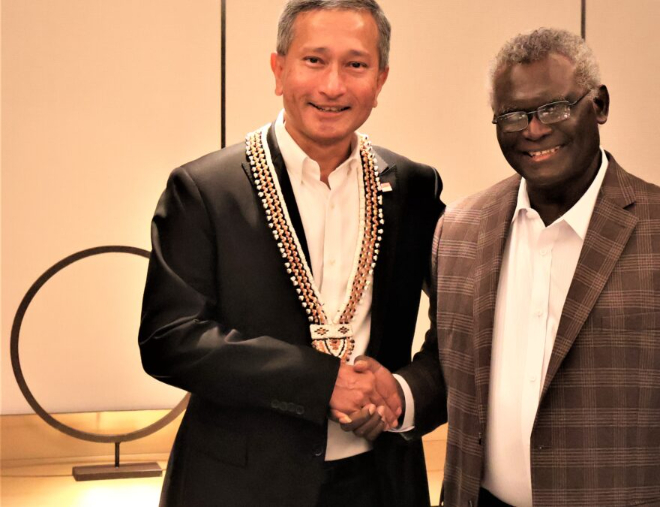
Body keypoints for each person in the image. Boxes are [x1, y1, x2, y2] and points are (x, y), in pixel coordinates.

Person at [396, 28, 660, 507]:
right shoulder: (459, 232)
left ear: (600, 105)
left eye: (554, 108)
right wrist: (394, 396)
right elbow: (453, 367)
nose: (534, 129)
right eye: (513, 115)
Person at [138, 1, 442, 506]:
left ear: (381, 80)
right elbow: (170, 338)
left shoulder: (412, 187)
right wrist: (320, 383)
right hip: (240, 484)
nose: (332, 86)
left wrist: (405, 392)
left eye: (356, 64)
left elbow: (466, 319)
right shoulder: (205, 190)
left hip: (381, 479)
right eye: (314, 60)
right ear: (279, 70)